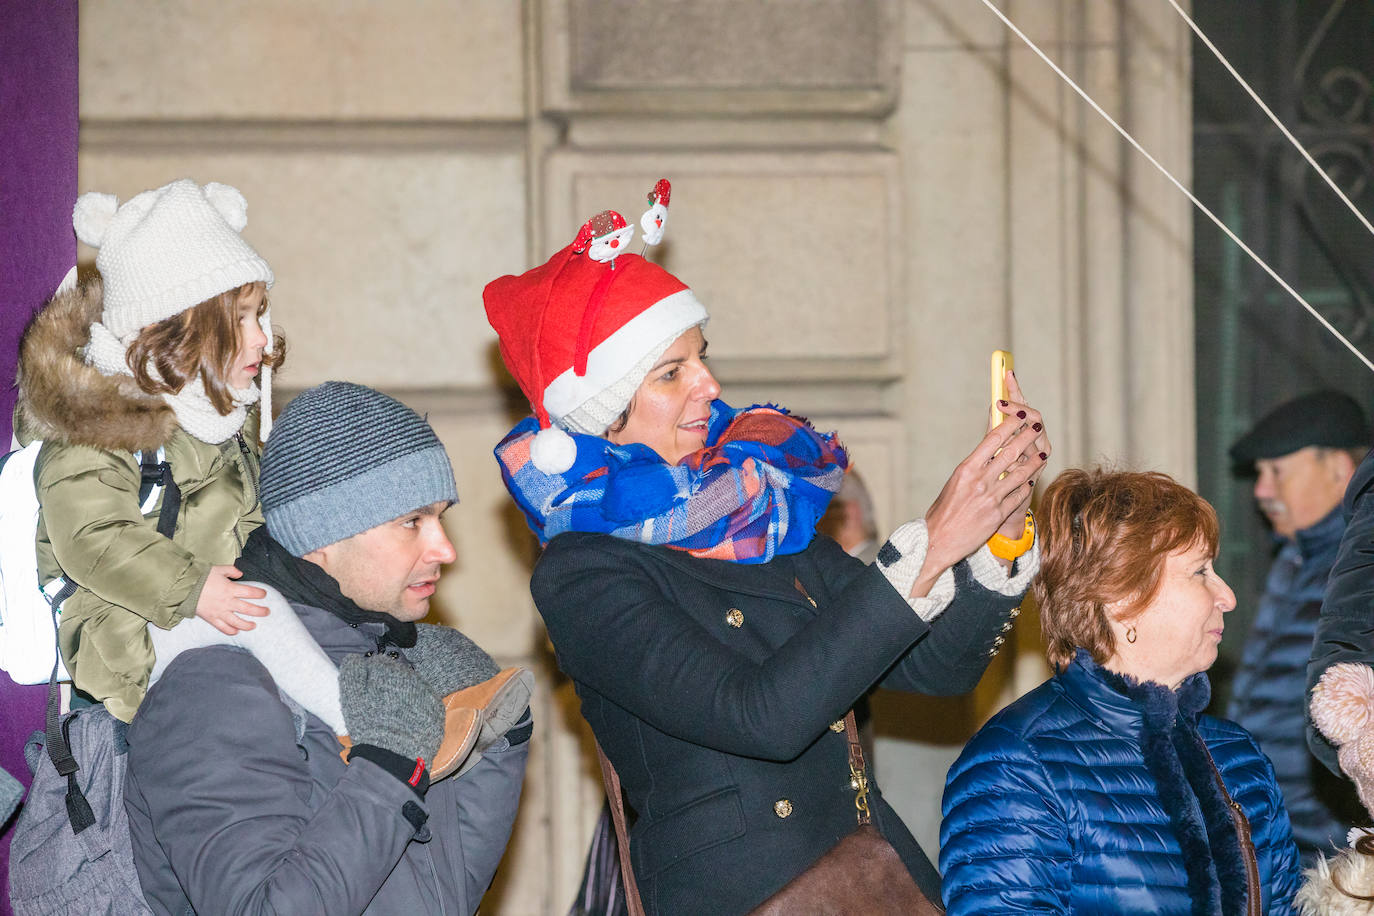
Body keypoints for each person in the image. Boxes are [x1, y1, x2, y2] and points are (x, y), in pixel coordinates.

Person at [484, 197, 1047, 914]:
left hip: (862, 882)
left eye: (702, 360)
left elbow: (936, 669)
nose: (709, 387)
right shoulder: (583, 571)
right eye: (671, 373)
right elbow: (760, 718)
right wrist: (931, 541)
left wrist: (996, 532)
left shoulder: (758, 513)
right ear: (604, 413)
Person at [123, 381, 532, 915]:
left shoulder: (385, 673)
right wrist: (388, 767)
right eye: (412, 521)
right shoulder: (213, 686)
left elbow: (440, 899)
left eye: (441, 518)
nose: (446, 549)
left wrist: (494, 741)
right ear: (324, 535)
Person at [13, 179, 342, 729]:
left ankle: (379, 715)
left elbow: (254, 522)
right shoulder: (98, 424)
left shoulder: (221, 419)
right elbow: (90, 537)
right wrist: (191, 588)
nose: (261, 338)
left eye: (260, 315)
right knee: (262, 617)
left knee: (323, 619)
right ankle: (365, 729)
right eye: (240, 319)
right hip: (123, 633)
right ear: (172, 329)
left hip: (201, 609)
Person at [940, 467, 1301, 914]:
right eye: (1200, 572)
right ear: (1121, 597)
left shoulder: (1238, 756)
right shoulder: (1017, 763)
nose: (1227, 596)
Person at [1226, 390, 1368, 864]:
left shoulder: (1359, 567)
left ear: (1339, 469)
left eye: (1277, 471)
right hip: (1276, 849)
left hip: (1333, 853)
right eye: (1260, 474)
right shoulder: (1296, 559)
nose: (1261, 491)